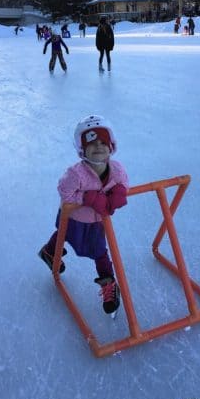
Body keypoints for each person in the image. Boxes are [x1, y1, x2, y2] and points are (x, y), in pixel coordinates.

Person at [38, 115, 128, 314]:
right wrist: (89, 198)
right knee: (65, 235)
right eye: (92, 143)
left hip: (96, 223)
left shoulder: (117, 169)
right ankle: (49, 251)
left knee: (99, 252)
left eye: (103, 142)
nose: (98, 147)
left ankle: (108, 283)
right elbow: (65, 191)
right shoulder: (76, 173)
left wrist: (121, 192)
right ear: (82, 149)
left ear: (111, 145)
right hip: (73, 218)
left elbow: (124, 181)